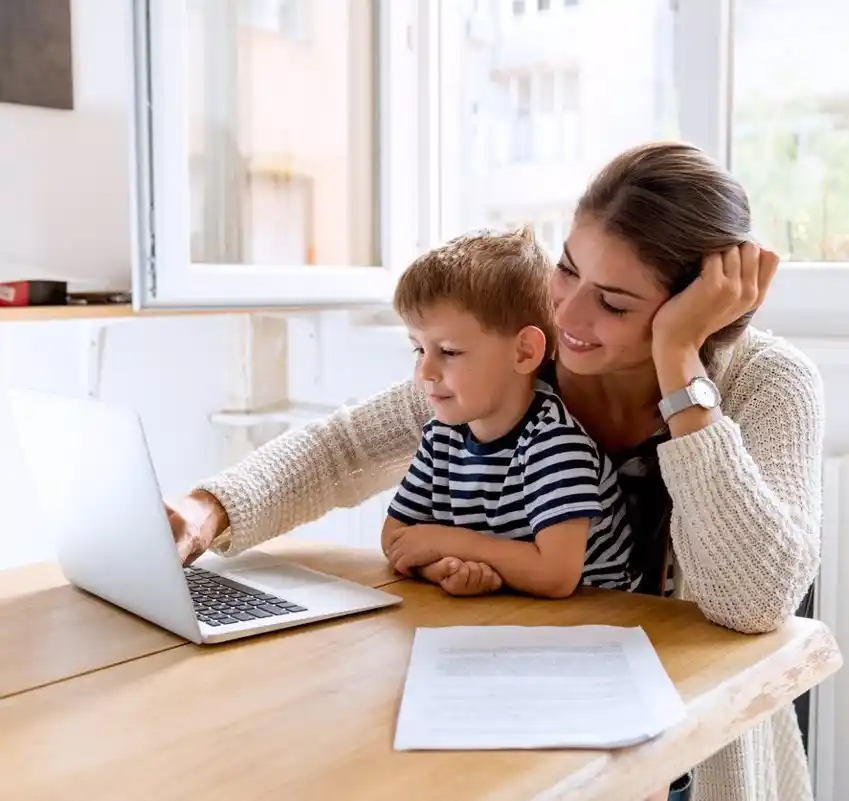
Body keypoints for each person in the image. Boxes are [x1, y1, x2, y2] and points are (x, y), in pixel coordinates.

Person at [167, 141, 824, 801]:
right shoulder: (522, 355)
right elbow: (346, 446)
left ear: (697, 308)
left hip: (685, 767)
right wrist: (207, 510)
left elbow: (752, 601)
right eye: (566, 269)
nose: (565, 315)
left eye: (614, 303)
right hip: (529, 729)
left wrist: (678, 362)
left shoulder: (765, 382)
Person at [381, 226, 638, 598]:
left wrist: (445, 540)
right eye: (419, 350)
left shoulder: (556, 444)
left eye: (449, 352)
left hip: (597, 624)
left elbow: (555, 575)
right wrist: (443, 566)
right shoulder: (441, 436)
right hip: (512, 617)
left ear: (523, 352)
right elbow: (397, 538)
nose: (425, 372)